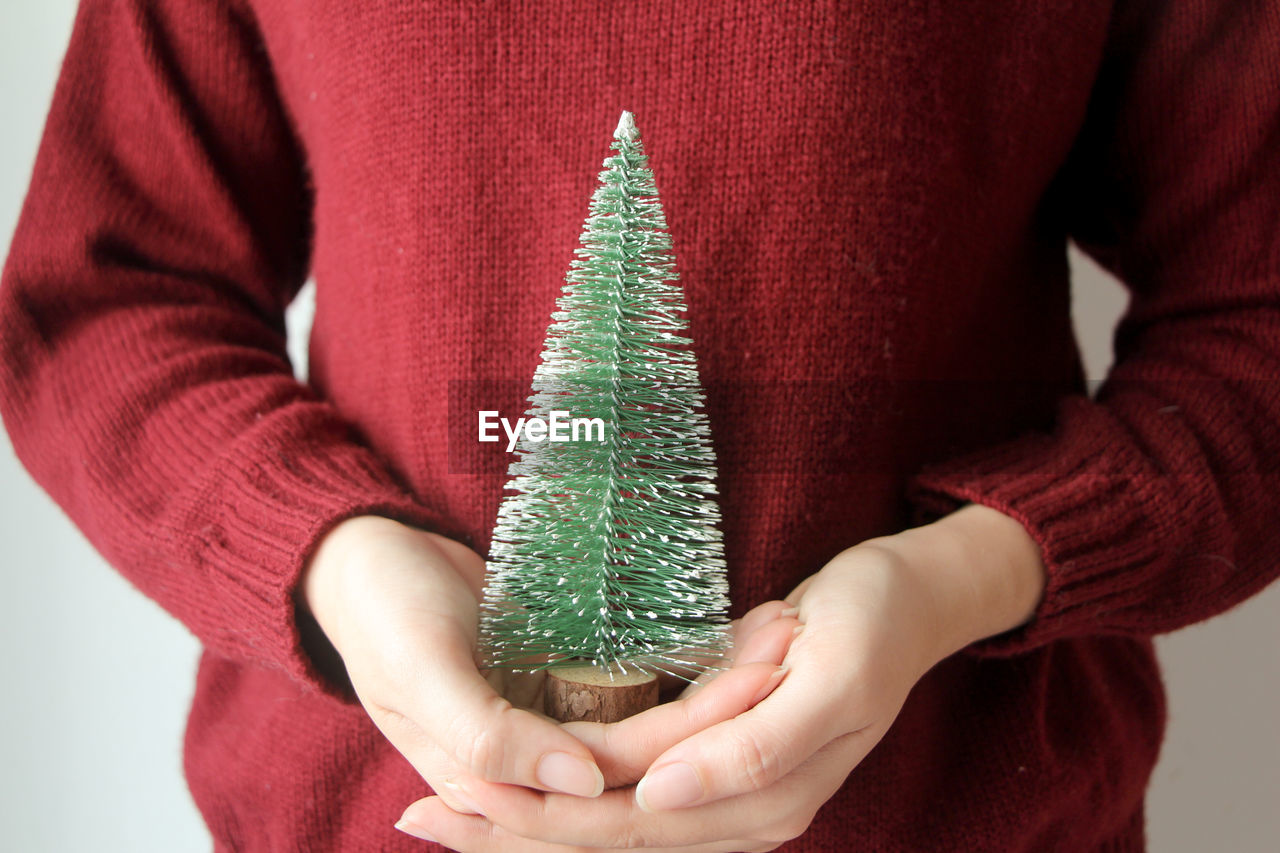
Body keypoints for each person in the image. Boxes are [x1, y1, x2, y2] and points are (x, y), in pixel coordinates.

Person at [2, 0, 1278, 850]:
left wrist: (963, 577)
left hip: (964, 813)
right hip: (357, 818)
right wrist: (334, 558)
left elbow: (1253, 319)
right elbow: (109, 294)